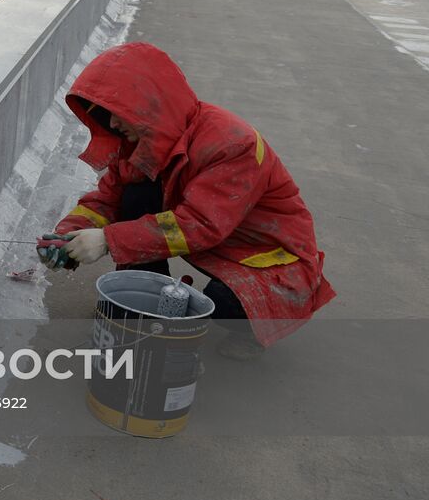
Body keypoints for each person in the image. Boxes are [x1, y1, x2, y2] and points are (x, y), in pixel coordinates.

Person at [53, 43, 334, 360]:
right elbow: (109, 197)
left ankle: (253, 330)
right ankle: (143, 297)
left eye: (117, 114)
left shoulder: (232, 144)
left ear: (148, 104)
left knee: (225, 301)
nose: (113, 124)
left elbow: (198, 225)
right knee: (135, 194)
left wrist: (107, 240)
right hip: (222, 241)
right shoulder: (142, 143)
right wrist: (69, 233)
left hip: (271, 260)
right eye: (106, 117)